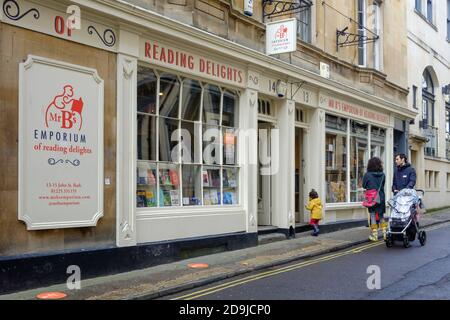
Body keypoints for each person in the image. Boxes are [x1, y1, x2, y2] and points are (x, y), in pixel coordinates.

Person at [363, 157, 387, 241]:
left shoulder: (367, 175)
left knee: (372, 215)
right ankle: (385, 234)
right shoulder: (383, 175)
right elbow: (383, 185)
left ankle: (375, 235)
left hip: (372, 197)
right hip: (381, 196)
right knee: (381, 216)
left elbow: (364, 185)